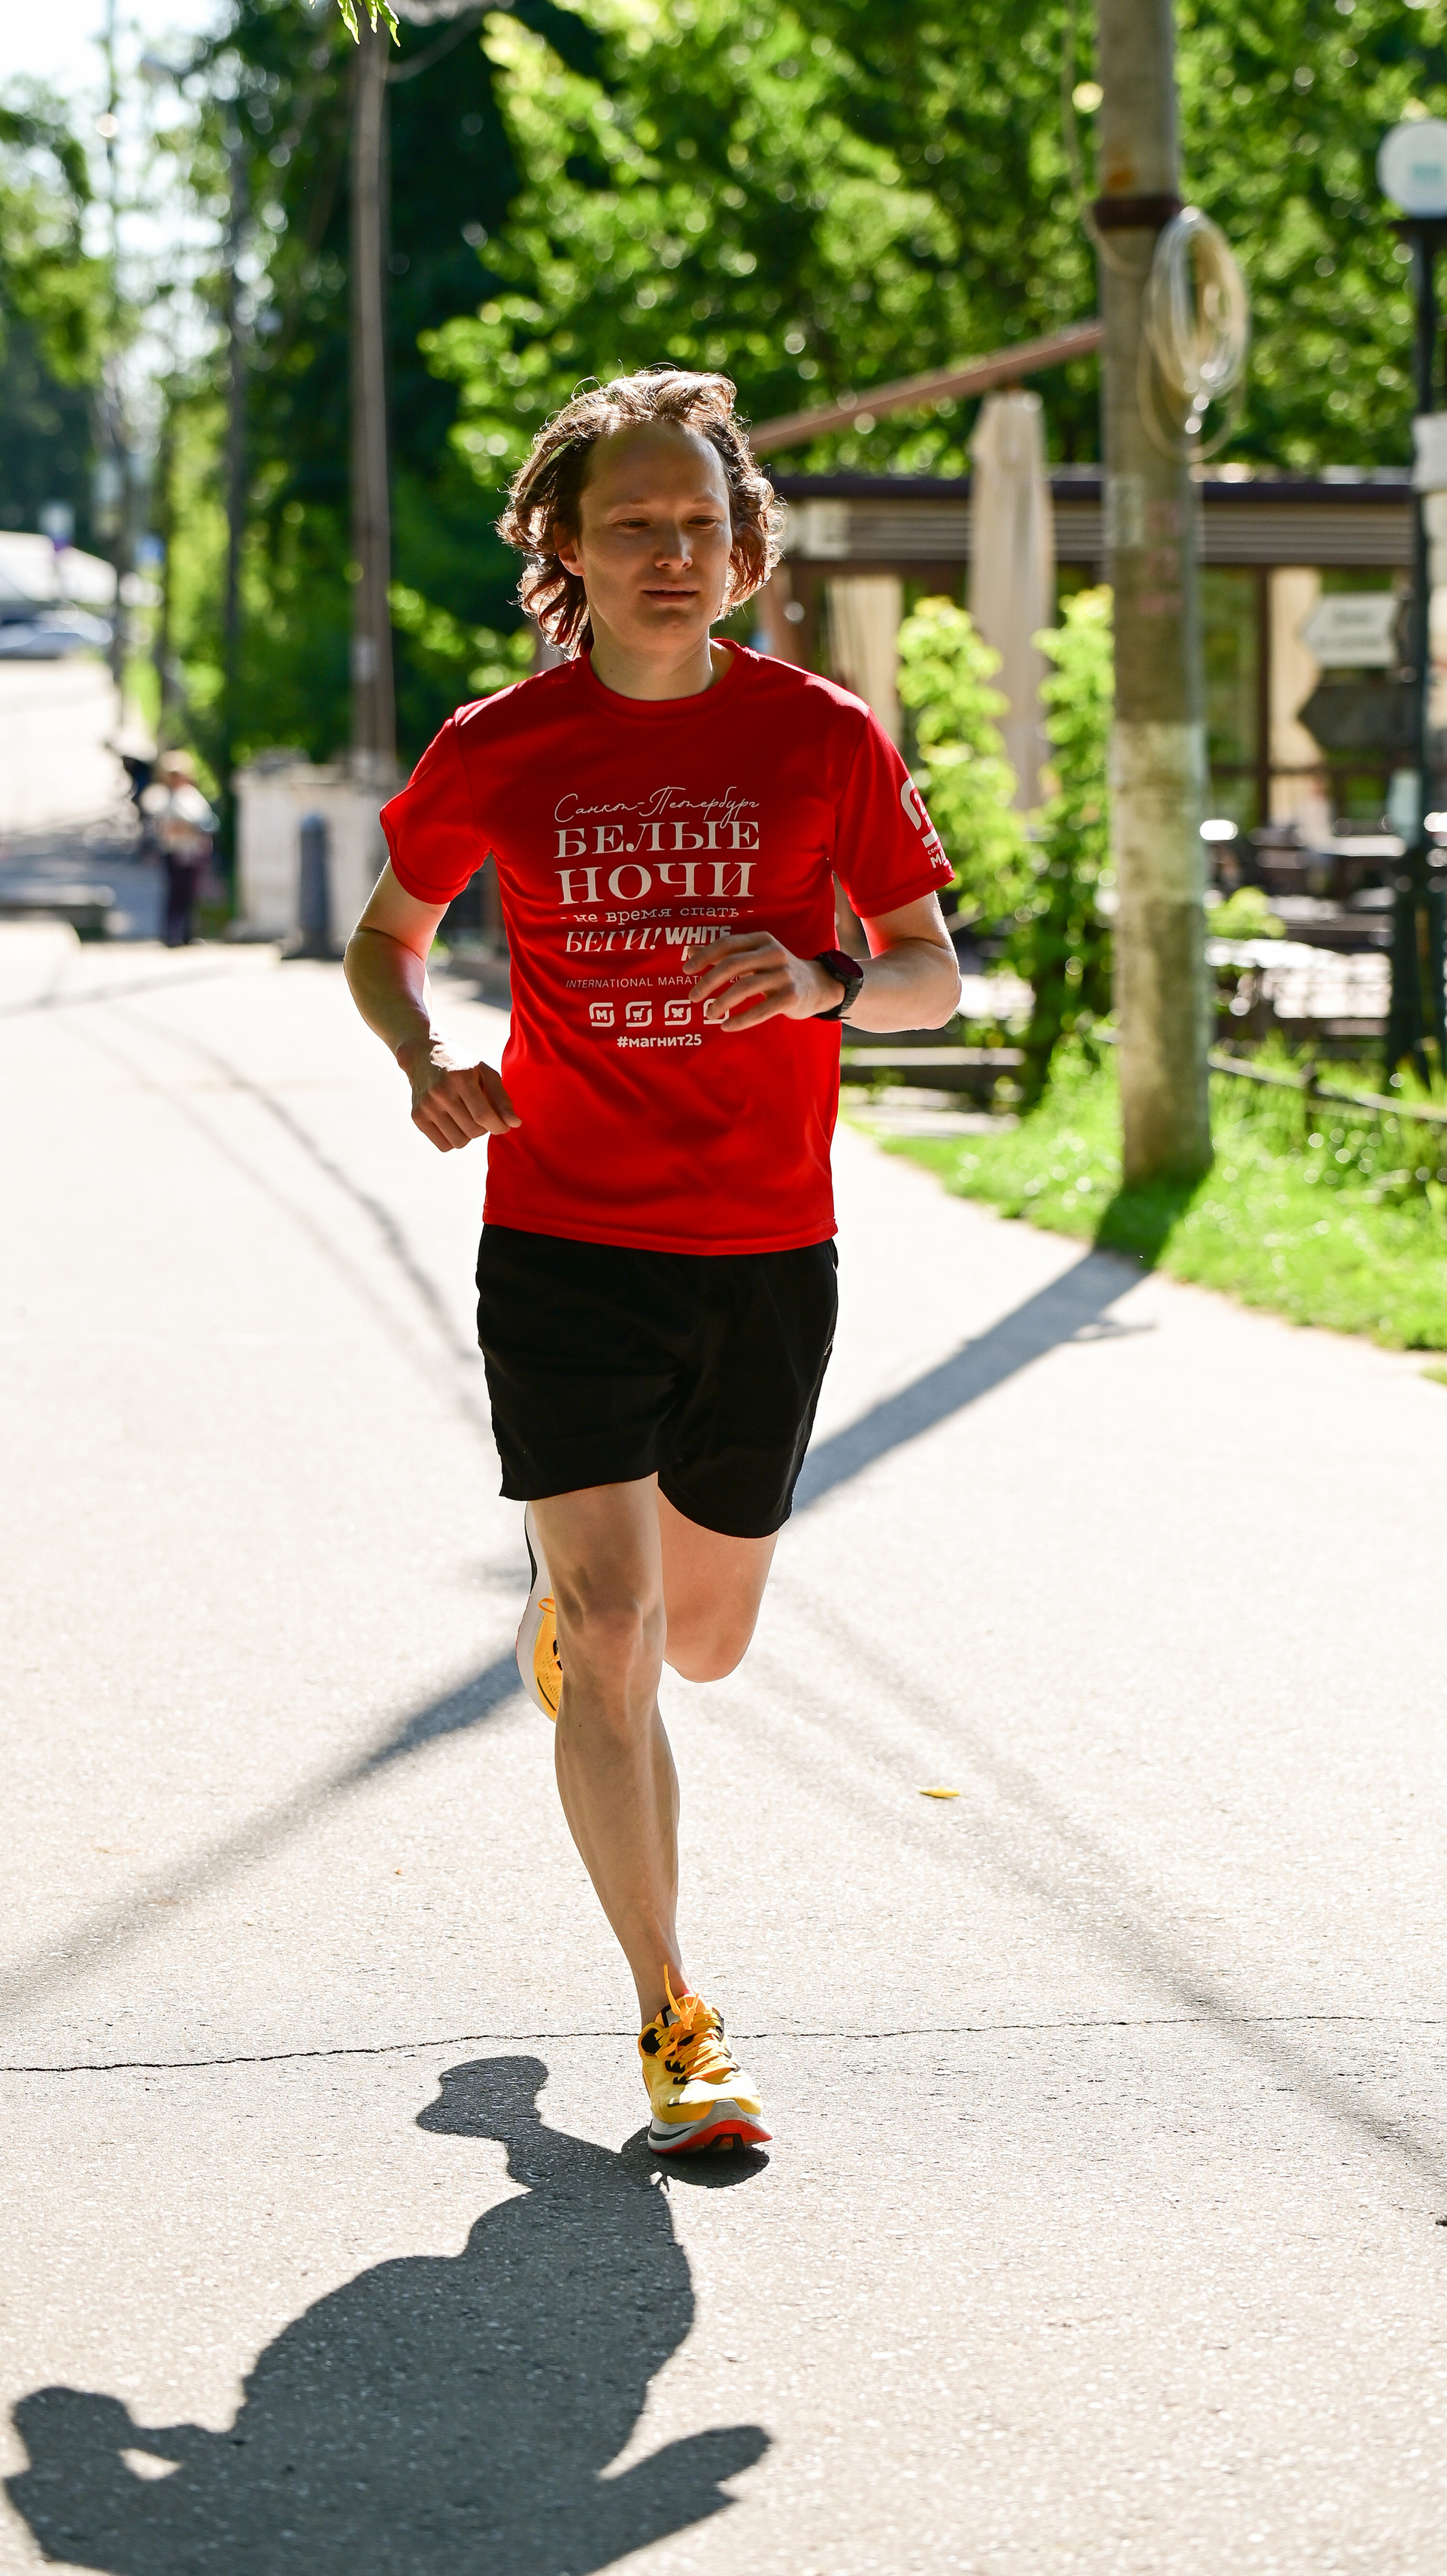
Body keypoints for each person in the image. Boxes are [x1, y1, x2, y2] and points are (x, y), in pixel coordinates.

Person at [344, 370, 960, 2155]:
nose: (671, 553)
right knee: (612, 1635)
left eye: (699, 524)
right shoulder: (498, 746)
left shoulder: (820, 736)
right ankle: (672, 2015)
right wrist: (420, 1055)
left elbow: (928, 968)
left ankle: (590, 1629)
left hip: (763, 1248)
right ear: (565, 546)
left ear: (742, 545)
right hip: (560, 1234)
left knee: (701, 1639)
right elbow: (387, 940)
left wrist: (829, 980)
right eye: (632, 524)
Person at [146, 750, 218, 948]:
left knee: (191, 894)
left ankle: (188, 933)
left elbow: (205, 823)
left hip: (194, 851)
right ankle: (172, 934)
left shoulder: (192, 796)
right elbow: (164, 826)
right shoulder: (162, 798)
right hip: (175, 851)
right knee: (175, 894)